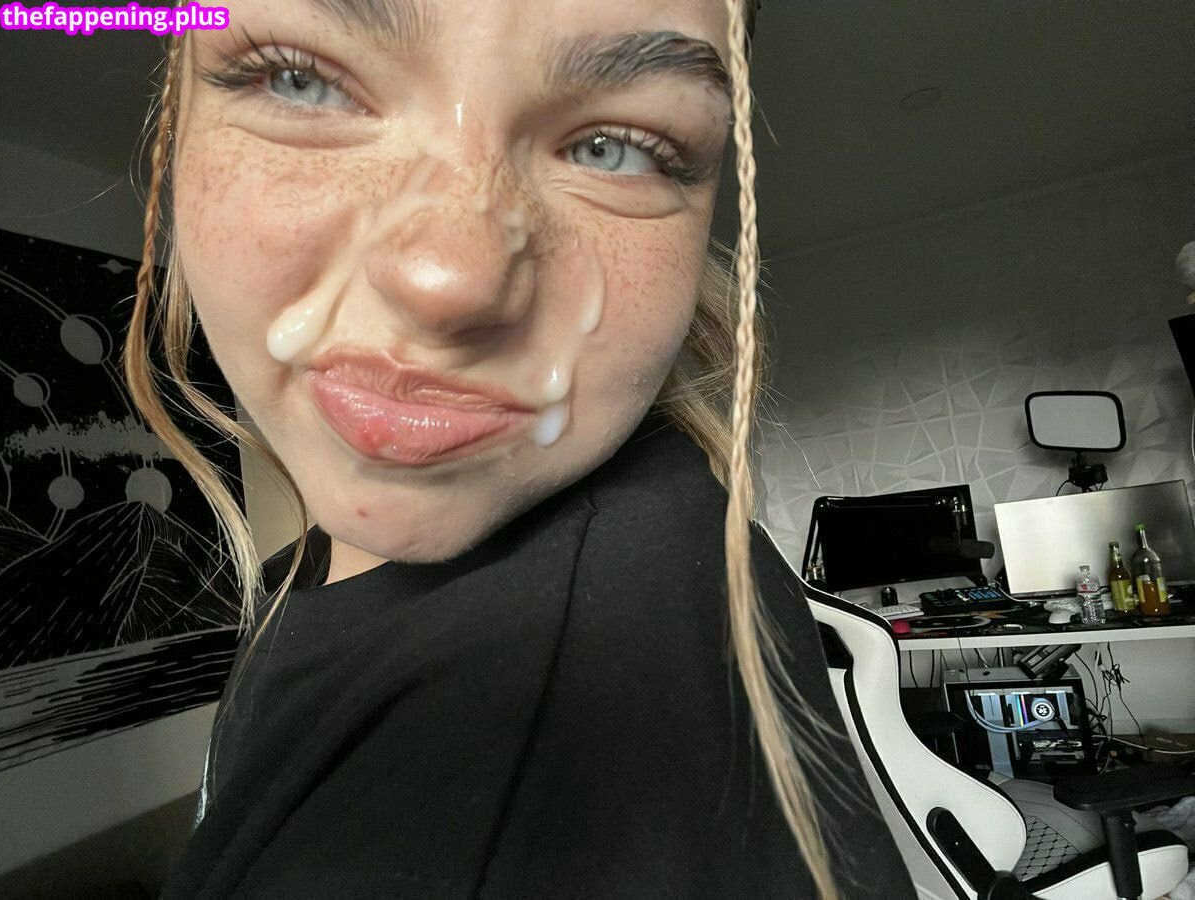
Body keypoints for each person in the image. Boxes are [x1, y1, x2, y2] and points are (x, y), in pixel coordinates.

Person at [127, 1, 916, 896]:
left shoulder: (567, 698)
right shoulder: (305, 577)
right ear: (175, 121)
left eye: (613, 147)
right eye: (301, 81)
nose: (450, 279)